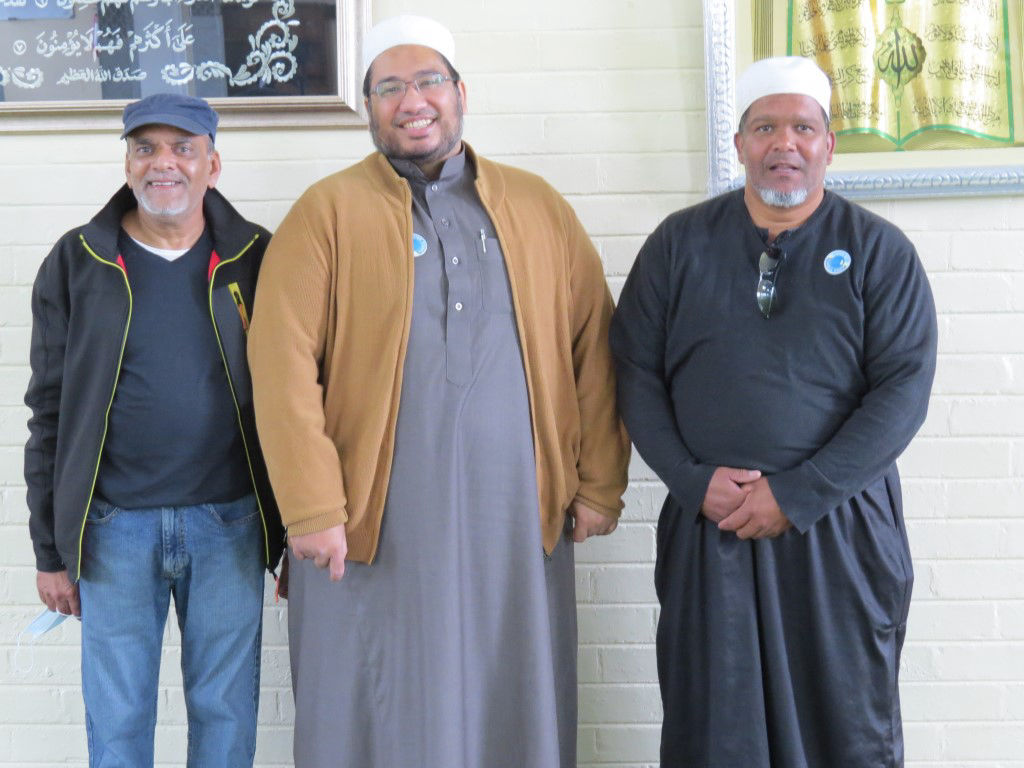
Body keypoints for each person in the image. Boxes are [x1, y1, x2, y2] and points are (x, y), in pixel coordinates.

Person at [247, 14, 629, 768]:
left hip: (517, 516)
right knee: (376, 703)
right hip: (369, 522)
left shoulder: (538, 207)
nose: (411, 101)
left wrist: (598, 485)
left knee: (511, 694)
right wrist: (312, 508)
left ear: (460, 93)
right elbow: (280, 365)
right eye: (389, 87)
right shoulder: (326, 212)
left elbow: (595, 346)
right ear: (368, 107)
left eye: (428, 81)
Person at [609, 56, 937, 767]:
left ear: (829, 145)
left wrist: (799, 493)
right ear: (739, 144)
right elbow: (634, 372)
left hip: (837, 530)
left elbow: (904, 390)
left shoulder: (878, 252)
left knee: (843, 727)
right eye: (765, 128)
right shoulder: (678, 245)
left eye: (802, 128)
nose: (783, 143)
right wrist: (691, 480)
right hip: (712, 526)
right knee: (714, 731)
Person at [24, 93, 285, 767]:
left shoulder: (257, 257)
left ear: (212, 165)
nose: (163, 163)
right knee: (118, 720)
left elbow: (299, 398)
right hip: (113, 529)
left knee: (225, 712)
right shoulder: (79, 260)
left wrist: (296, 528)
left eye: (183, 148)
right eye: (145, 148)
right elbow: (48, 412)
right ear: (127, 163)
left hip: (230, 524)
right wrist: (50, 550)